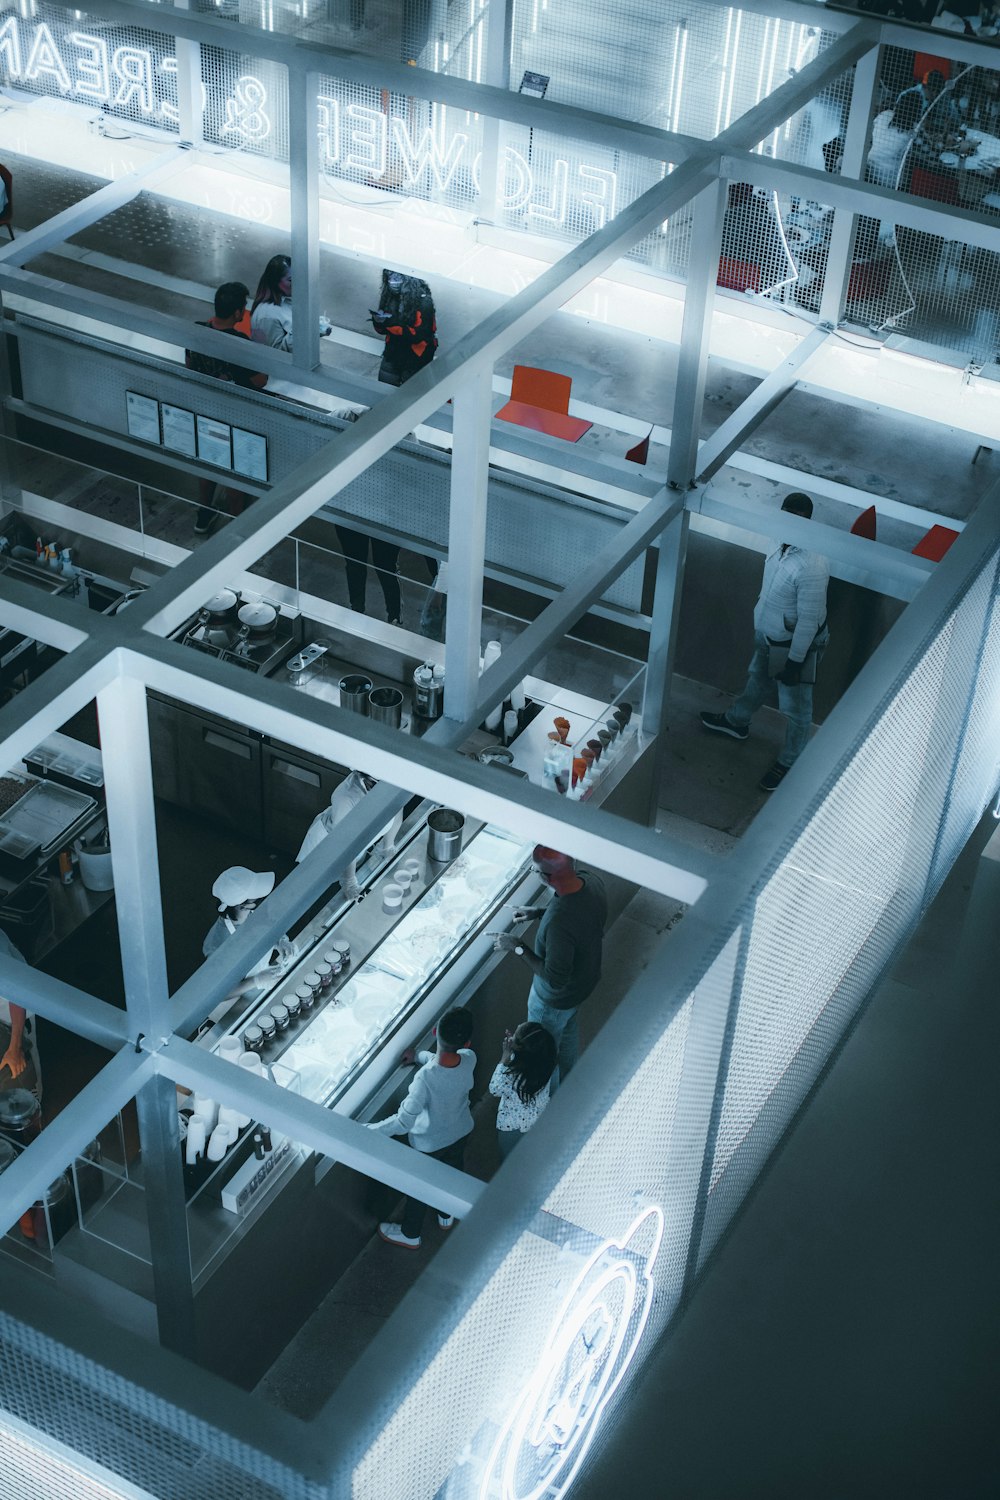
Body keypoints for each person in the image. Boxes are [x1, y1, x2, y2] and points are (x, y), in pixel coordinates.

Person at [700, 491, 830, 793]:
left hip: (796, 645)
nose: (786, 522)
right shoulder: (777, 539)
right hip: (769, 635)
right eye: (784, 513)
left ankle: (792, 760)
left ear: (807, 522)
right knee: (757, 679)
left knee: (796, 707)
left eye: (794, 518)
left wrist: (796, 662)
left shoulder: (813, 564)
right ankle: (737, 721)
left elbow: (809, 622)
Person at [490, 848, 607, 1087]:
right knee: (568, 1030)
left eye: (536, 871)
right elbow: (579, 915)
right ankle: (568, 1077)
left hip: (554, 1000)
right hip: (583, 984)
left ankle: (548, 1094)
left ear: (548, 877)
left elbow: (555, 978)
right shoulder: (590, 880)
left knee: (541, 1052)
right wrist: (540, 912)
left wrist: (516, 946)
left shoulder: (558, 924)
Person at [367, 1006, 475, 1249]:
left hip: (429, 1144)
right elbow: (444, 1062)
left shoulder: (424, 1079)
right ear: (467, 1043)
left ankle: (410, 1234)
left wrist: (369, 1130)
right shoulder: (470, 1059)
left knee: (418, 1187)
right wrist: (418, 1056)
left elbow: (403, 1122)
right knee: (451, 1172)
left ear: (435, 1032)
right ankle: (446, 1213)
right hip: (460, 1132)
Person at [186, 281, 267, 536]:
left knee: (208, 461)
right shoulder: (239, 341)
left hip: (204, 411)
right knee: (235, 470)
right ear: (236, 313)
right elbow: (259, 380)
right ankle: (238, 526)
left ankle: (204, 512)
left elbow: (189, 365)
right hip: (233, 416)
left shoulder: (198, 331)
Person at [295, 770, 403, 900]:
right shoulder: (347, 797)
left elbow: (398, 805)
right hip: (326, 848)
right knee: (312, 893)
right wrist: (349, 882)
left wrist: (387, 847)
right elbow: (344, 842)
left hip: (354, 850)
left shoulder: (393, 784)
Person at [202, 866, 295, 996]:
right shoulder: (218, 946)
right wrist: (256, 982)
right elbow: (215, 995)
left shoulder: (251, 912)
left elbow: (267, 925)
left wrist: (280, 941)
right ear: (242, 906)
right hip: (242, 994)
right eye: (256, 898)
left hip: (265, 977)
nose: (261, 900)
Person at [489, 1022, 556, 1159]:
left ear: (520, 1050)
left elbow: (494, 1088)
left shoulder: (511, 1074)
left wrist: (505, 1057)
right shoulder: (547, 1063)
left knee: (509, 1158)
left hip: (512, 1126)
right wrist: (517, 1046)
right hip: (537, 1119)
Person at [369, 268, 438, 386]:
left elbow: (418, 335)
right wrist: (378, 322)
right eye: (390, 275)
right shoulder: (389, 297)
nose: (393, 280)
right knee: (385, 388)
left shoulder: (424, 301)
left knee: (411, 394)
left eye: (398, 276)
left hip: (417, 356)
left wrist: (389, 325)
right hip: (393, 351)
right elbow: (382, 330)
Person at [0, 929, 40, 1101]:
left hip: (15, 1014)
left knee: (21, 1068)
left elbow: (17, 994)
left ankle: (33, 1106)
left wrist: (15, 1047)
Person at [865, 91, 923, 187]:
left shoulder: (885, 114)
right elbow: (914, 151)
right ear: (917, 111)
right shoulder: (913, 131)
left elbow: (872, 129)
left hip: (868, 167)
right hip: (888, 179)